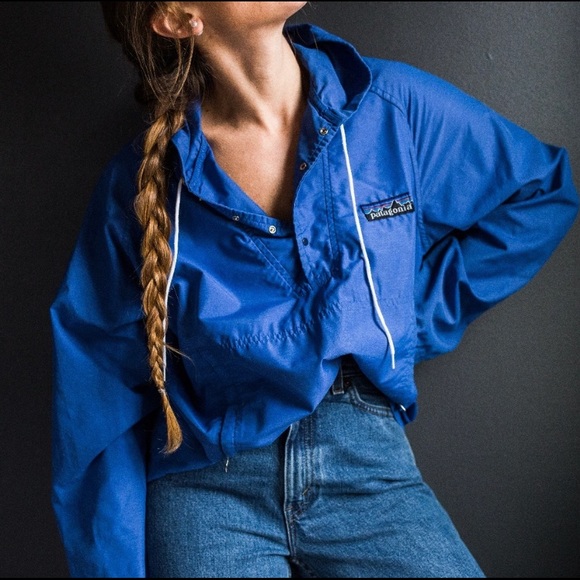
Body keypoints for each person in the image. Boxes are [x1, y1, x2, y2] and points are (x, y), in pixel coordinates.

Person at [50, 2, 578, 578]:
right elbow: (96, 389)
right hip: (207, 485)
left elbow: (539, 191)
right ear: (179, 17)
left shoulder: (390, 105)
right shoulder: (144, 184)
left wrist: (403, 319)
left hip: (367, 462)